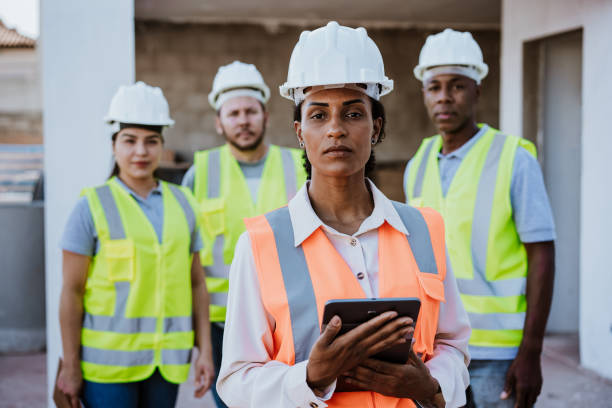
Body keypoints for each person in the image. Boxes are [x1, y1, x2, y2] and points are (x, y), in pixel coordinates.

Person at [217, 21, 471, 408]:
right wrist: (309, 378)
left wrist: (430, 387)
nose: (335, 129)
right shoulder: (259, 243)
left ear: (376, 127)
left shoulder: (424, 230)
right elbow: (235, 380)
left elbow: (453, 345)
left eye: (353, 114)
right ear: (300, 133)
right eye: (319, 115)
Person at [404, 29, 556, 408]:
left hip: (498, 354)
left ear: (477, 89)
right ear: (423, 93)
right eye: (434, 86)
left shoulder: (514, 159)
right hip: (436, 350)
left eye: (456, 85)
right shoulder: (417, 164)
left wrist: (531, 352)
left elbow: (543, 255)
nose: (443, 96)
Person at [57, 82, 215, 408]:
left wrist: (206, 353)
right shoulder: (91, 206)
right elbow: (71, 292)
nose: (140, 152)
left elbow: (197, 283)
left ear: (162, 146)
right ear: (114, 145)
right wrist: (71, 365)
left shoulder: (184, 203)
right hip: (107, 372)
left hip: (166, 365)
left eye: (151, 141)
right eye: (129, 141)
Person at [181, 60, 307, 407]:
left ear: (266, 116)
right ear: (218, 123)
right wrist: (201, 341)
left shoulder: (300, 165)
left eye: (250, 111)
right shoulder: (199, 174)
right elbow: (189, 263)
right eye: (233, 112)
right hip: (223, 325)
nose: (243, 120)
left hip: (288, 318)